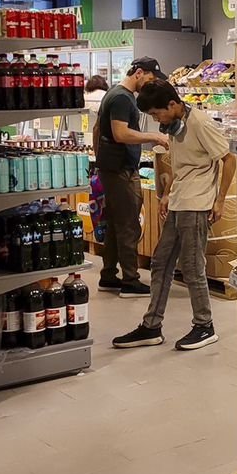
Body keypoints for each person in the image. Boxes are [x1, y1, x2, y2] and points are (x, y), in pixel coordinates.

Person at [113, 79, 236, 351]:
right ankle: (151, 326)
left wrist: (220, 200)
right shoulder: (173, 126)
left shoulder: (201, 123)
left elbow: (229, 159)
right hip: (179, 200)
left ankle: (204, 325)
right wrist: (167, 193)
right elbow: (180, 165)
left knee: (192, 266)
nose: (157, 119)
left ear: (172, 104)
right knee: (161, 262)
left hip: (197, 203)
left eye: (157, 113)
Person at [95, 58, 168, 297]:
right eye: (150, 78)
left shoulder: (116, 94)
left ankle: (108, 276)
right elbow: (121, 133)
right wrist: (155, 137)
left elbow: (98, 130)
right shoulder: (121, 98)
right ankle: (130, 280)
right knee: (129, 225)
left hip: (114, 168)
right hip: (120, 170)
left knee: (116, 224)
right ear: (138, 73)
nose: (151, 84)